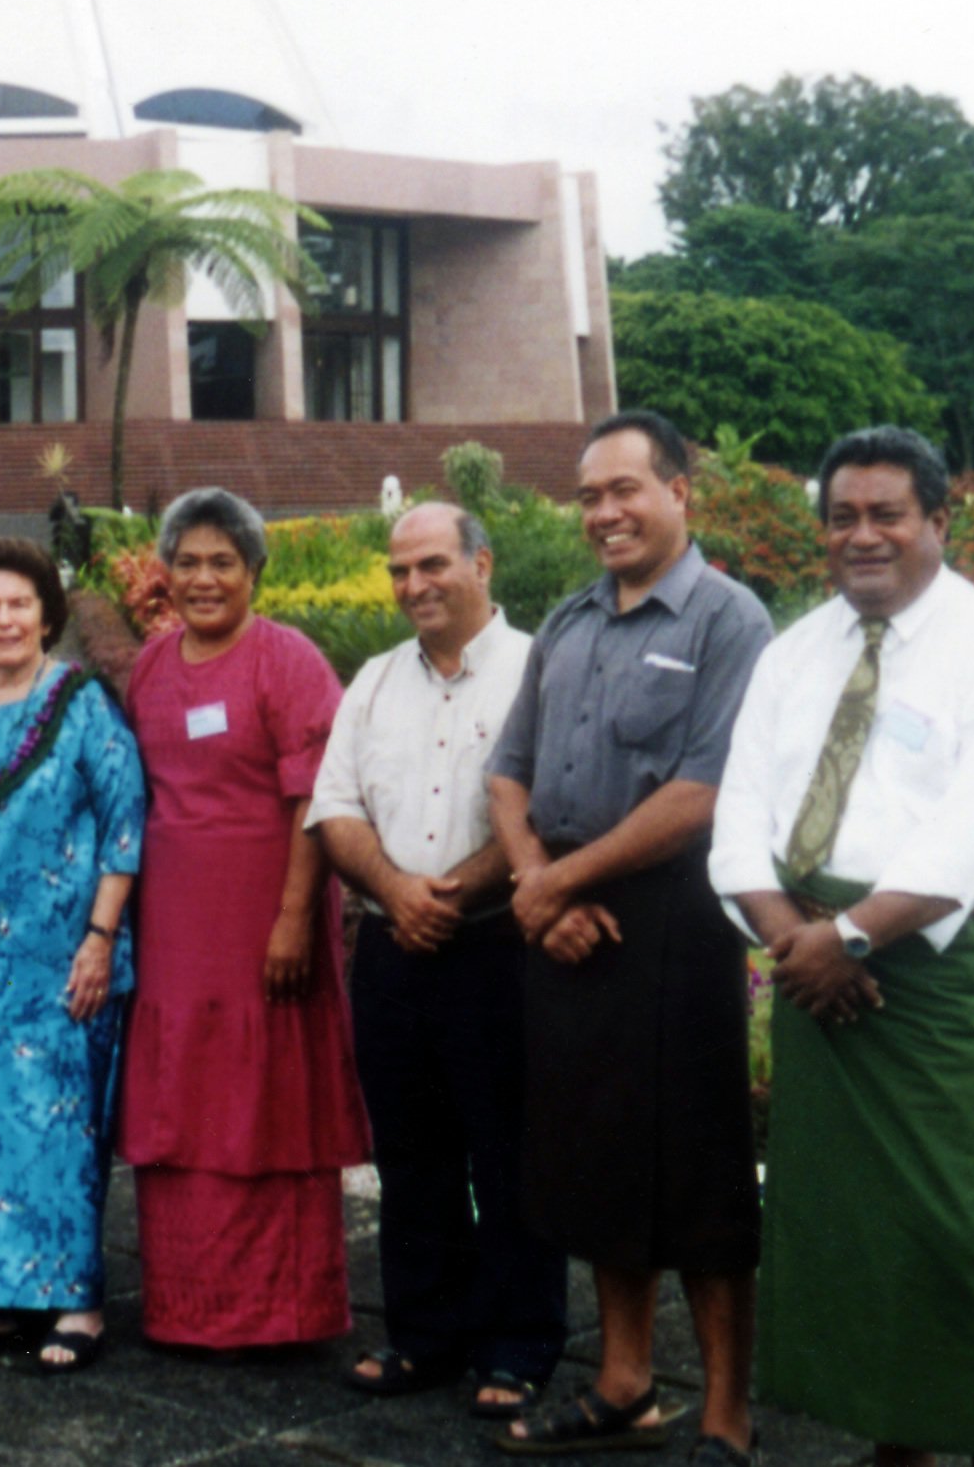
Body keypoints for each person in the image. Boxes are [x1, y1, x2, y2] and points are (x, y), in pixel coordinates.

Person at [710, 427, 974, 1467]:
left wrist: (851, 934)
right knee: (852, 1223)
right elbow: (739, 817)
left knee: (959, 1222)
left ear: (939, 522)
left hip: (937, 971)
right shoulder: (792, 651)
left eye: (887, 514)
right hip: (816, 968)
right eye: (842, 516)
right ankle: (896, 1442)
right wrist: (794, 939)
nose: (862, 535)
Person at [486, 411, 772, 1465]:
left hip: (674, 920)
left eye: (626, 490)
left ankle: (727, 1415)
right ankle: (623, 1382)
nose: (604, 512)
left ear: (681, 492)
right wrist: (536, 884)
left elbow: (705, 789)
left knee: (696, 1170)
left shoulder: (727, 621)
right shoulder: (567, 621)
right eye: (589, 495)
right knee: (593, 1161)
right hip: (564, 917)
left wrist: (557, 879)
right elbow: (508, 768)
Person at [309, 502, 565, 1414]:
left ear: (482, 564)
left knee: (507, 1152)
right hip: (390, 947)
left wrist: (448, 893)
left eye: (431, 565)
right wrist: (397, 889)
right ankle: (424, 1334)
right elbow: (334, 805)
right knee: (409, 1154)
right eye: (399, 570)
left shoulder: (541, 667)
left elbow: (548, 808)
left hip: (495, 945)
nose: (413, 585)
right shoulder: (375, 681)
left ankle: (520, 1343)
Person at [117, 487, 369, 1350]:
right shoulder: (150, 666)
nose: (203, 578)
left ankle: (281, 1312)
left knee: (270, 1099)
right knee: (184, 1100)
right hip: (178, 932)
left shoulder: (286, 661)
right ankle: (186, 1307)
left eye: (223, 562)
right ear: (164, 573)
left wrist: (298, 918)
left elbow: (320, 796)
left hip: (269, 923)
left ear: (255, 571)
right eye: (186, 562)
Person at [0, 538, 145, 1372]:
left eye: (20, 604)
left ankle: (75, 1302)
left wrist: (101, 938)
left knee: (57, 1130)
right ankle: (1, 1290)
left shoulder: (82, 703)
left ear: (48, 613)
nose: (5, 619)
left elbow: (125, 824)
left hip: (63, 964)